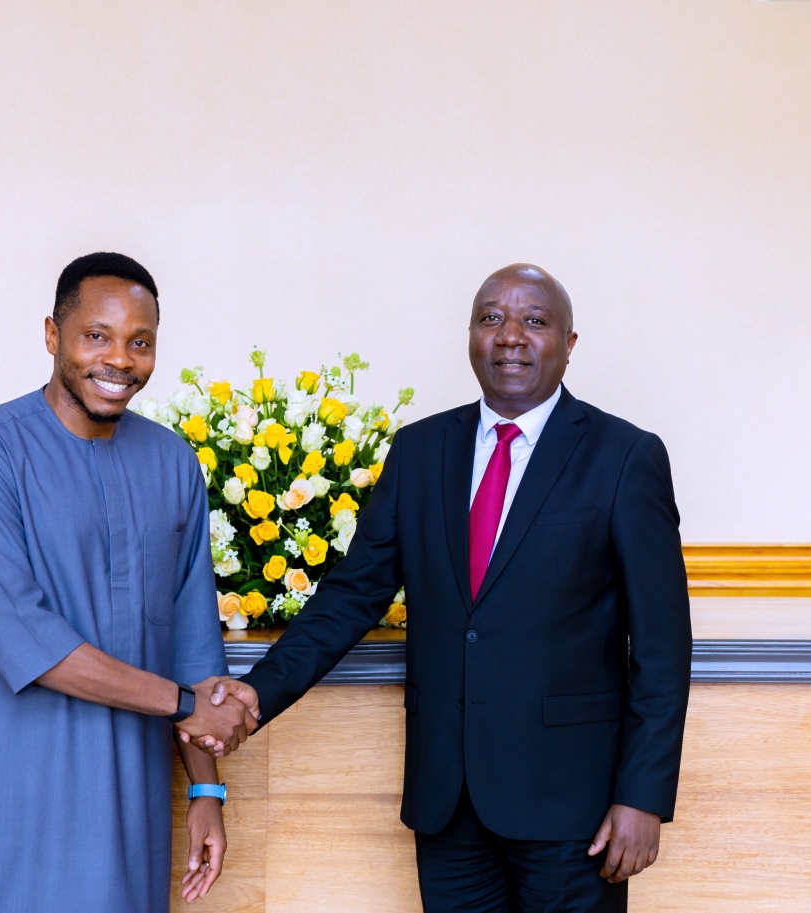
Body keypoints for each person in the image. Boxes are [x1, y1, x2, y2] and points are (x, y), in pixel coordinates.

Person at [194, 264, 692, 912]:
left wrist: (643, 794)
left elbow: (661, 644)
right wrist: (255, 693)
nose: (510, 335)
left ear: (569, 343)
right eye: (491, 317)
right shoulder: (421, 450)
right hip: (447, 803)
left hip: (575, 808)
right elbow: (352, 595)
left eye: (534, 320)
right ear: (470, 336)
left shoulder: (625, 455)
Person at [0, 252, 254, 913]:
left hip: (127, 800)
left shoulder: (171, 461)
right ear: (53, 336)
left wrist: (205, 792)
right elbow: (31, 642)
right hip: (13, 790)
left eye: (140, 342)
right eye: (96, 336)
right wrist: (188, 706)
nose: (119, 360)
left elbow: (193, 643)